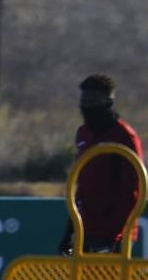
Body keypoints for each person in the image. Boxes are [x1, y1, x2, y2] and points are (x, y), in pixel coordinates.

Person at [58, 74, 143, 255]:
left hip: (113, 233)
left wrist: (117, 236)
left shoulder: (124, 136)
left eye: (93, 102)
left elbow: (133, 192)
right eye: (84, 101)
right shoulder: (83, 133)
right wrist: (70, 229)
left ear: (108, 102)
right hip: (85, 228)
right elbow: (82, 185)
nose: (87, 107)